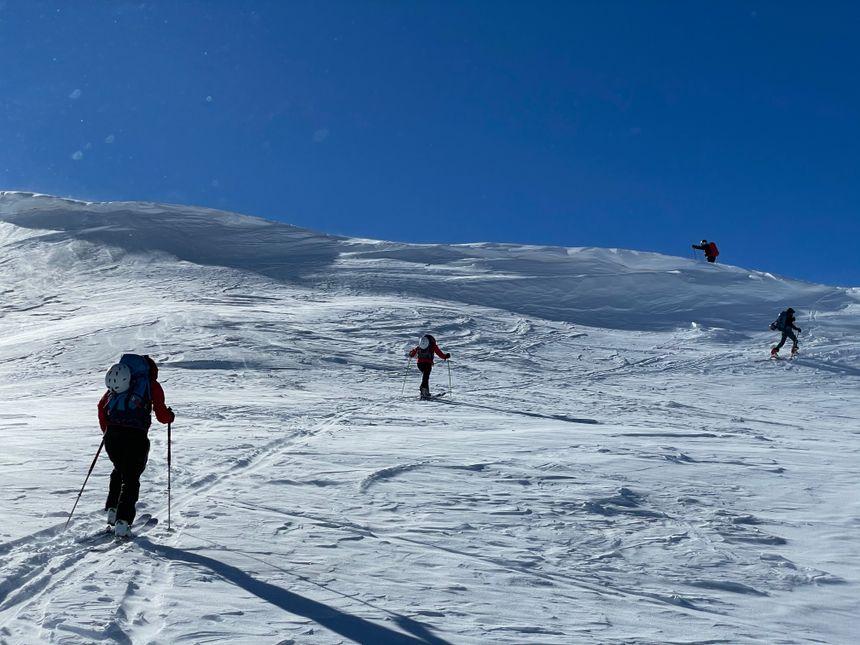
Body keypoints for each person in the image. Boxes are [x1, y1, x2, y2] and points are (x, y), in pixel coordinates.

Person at [98, 354, 174, 537]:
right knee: (131, 478)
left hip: (112, 436)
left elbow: (101, 407)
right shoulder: (149, 384)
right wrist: (170, 417)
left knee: (119, 470)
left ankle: (112, 510)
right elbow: (162, 415)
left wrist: (107, 431)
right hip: (136, 437)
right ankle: (123, 521)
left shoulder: (120, 380)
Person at [408, 334, 450, 399]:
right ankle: (423, 389)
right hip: (427, 364)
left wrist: (411, 354)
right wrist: (445, 356)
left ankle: (425, 391)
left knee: (425, 376)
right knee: (426, 377)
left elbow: (413, 353)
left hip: (419, 364)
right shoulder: (433, 346)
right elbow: (439, 353)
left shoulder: (420, 346)